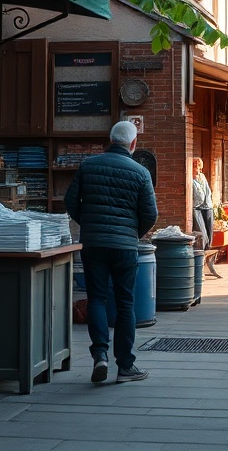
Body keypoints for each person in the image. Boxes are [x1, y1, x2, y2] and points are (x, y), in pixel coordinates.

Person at [65, 121, 158, 384]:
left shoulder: (88, 166)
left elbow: (71, 201)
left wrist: (90, 224)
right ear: (133, 144)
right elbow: (150, 213)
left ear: (110, 139)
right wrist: (132, 233)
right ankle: (126, 366)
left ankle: (100, 356)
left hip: (93, 244)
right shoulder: (140, 172)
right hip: (125, 247)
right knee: (125, 303)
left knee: (96, 299)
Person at [190, 156, 213, 249]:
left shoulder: (202, 177)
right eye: (196, 166)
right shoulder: (190, 179)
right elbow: (198, 195)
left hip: (207, 207)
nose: (198, 169)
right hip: (197, 208)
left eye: (199, 167)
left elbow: (207, 192)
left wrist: (209, 205)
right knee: (202, 233)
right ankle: (203, 252)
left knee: (209, 232)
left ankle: (208, 249)